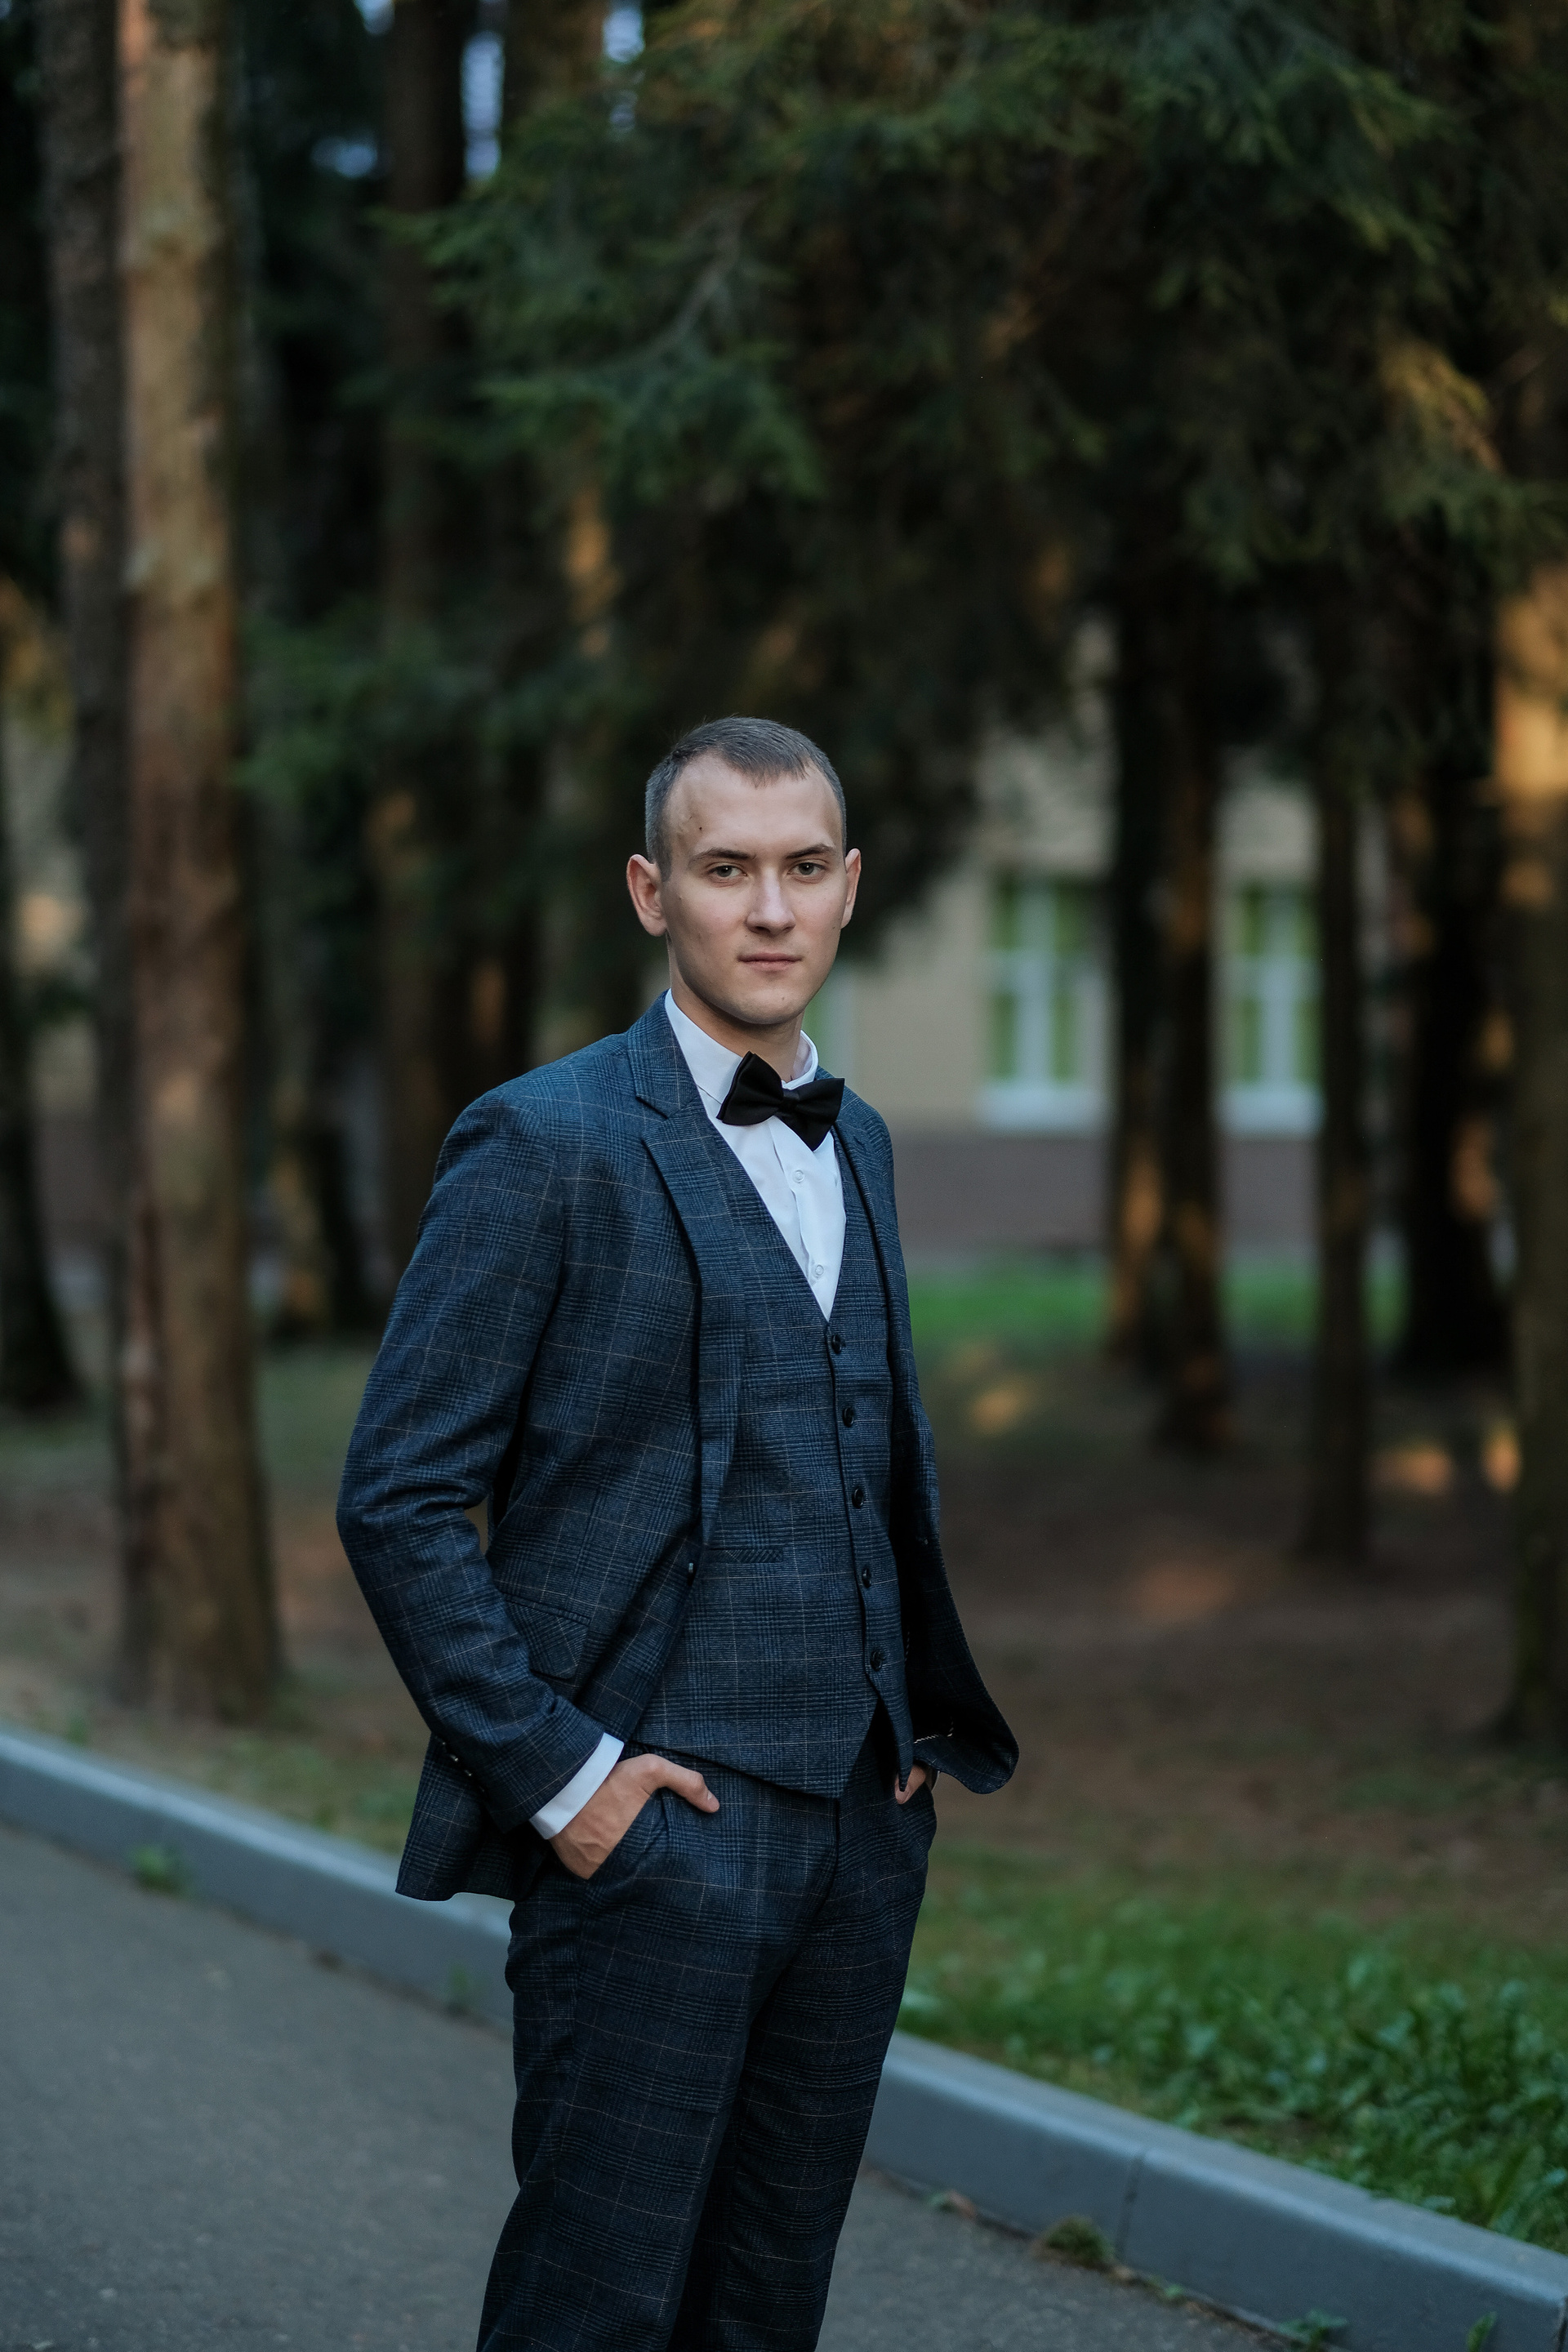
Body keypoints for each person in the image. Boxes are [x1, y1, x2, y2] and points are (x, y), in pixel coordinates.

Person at [336, 715, 1017, 2352]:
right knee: (594, 2308)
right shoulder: (544, 1140)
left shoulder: (862, 1139)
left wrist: (907, 1734)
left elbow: (860, 1453)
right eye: (726, 870)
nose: (769, 909)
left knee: (767, 2307)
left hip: (860, 1841)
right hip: (651, 1843)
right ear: (654, 892)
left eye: (802, 869)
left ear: (849, 887)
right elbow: (399, 1496)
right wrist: (565, 1784)